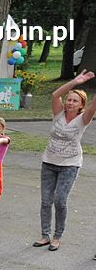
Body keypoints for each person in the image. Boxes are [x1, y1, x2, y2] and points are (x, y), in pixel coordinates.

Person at [32, 70, 96, 251]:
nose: (70, 103)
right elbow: (55, 95)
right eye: (69, 99)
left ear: (81, 105)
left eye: (75, 101)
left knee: (60, 200)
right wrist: (75, 81)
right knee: (46, 201)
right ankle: (45, 235)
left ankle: (57, 236)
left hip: (70, 165)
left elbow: (93, 107)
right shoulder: (58, 113)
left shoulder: (83, 119)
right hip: (49, 162)